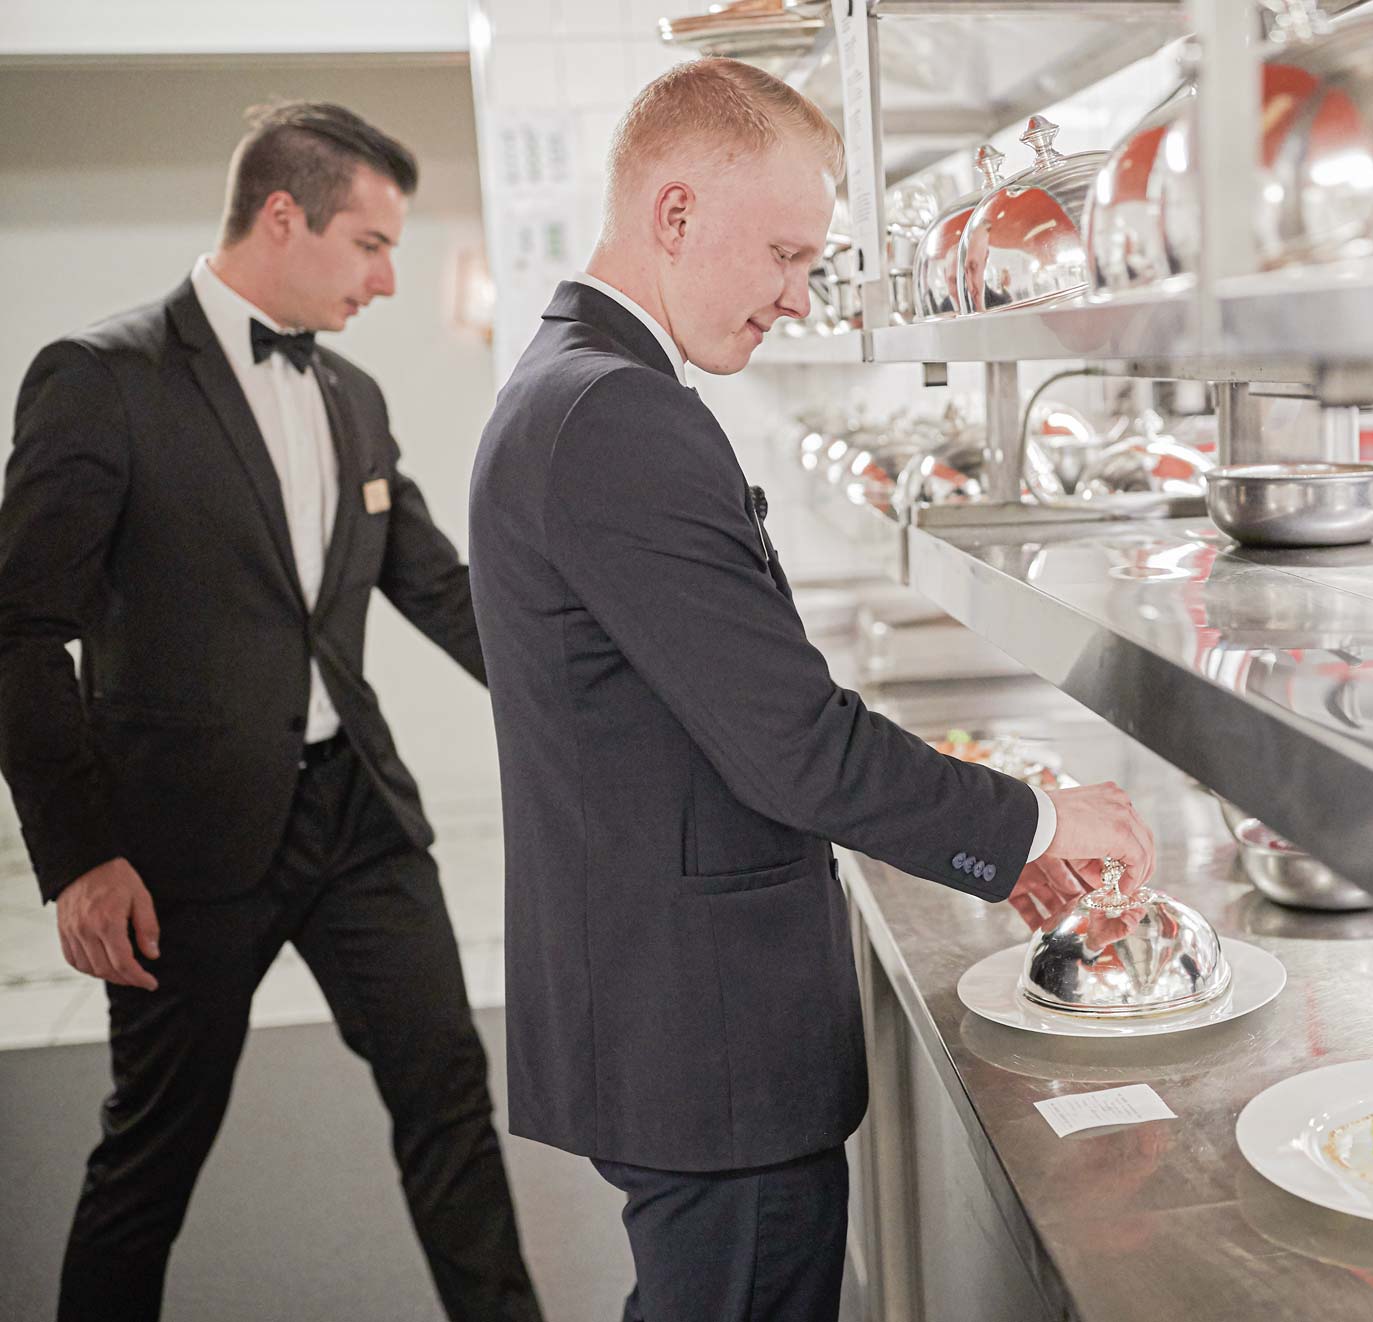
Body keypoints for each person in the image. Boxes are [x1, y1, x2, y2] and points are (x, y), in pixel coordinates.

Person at [468, 57, 1156, 1322]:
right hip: (702, 1028)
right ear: (673, 213)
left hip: (668, 1000)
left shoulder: (575, 385)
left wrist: (1004, 832)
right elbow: (794, 746)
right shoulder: (615, 415)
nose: (796, 298)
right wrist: (1042, 821)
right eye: (785, 255)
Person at [0, 101, 543, 1322]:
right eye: (369, 244)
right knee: (152, 1154)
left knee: (448, 1092)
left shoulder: (350, 394)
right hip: (180, 844)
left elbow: (438, 586)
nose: (391, 278)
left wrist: (579, 704)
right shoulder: (101, 378)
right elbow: (22, 633)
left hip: (355, 815)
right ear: (283, 216)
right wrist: (80, 857)